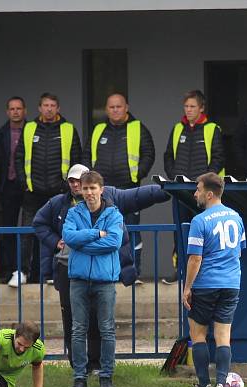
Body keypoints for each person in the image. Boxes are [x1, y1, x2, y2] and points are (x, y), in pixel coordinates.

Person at [33, 164, 168, 373]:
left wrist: (169, 190)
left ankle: (98, 366)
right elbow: (42, 224)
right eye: (72, 181)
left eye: (84, 182)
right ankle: (78, 369)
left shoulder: (112, 200)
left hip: (101, 271)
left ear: (97, 186)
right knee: (73, 323)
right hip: (69, 270)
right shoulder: (60, 205)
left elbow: (138, 198)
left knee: (100, 323)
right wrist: (59, 241)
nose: (78, 185)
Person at [183, 173, 246, 387]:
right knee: (223, 335)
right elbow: (239, 250)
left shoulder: (199, 221)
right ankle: (222, 383)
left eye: (198, 189)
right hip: (231, 284)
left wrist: (187, 287)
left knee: (198, 334)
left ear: (209, 194)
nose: (195, 193)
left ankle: (204, 386)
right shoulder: (236, 217)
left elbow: (195, 258)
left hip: (206, 284)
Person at [62, 171, 123, 387]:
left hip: (105, 281)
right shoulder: (73, 213)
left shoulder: (114, 214)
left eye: (92, 188)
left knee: (107, 329)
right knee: (78, 329)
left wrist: (82, 242)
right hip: (78, 280)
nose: (88, 193)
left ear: (101, 189)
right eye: (85, 189)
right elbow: (69, 238)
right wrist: (97, 233)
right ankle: (80, 377)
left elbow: (114, 242)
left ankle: (106, 376)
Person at [83, 93, 155, 280]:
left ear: (126, 108)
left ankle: (133, 274)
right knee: (103, 233)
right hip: (102, 192)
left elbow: (149, 153)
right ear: (107, 110)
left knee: (131, 232)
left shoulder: (138, 128)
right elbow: (86, 155)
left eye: (119, 106)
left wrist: (137, 174)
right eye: (111, 107)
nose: (115, 110)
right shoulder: (98, 130)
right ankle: (107, 273)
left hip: (128, 190)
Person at [15, 92, 82, 283]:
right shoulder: (29, 128)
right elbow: (19, 157)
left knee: (59, 233)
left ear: (58, 108)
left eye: (53, 105)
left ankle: (55, 273)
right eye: (46, 105)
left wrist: (66, 186)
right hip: (32, 192)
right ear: (39, 108)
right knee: (28, 232)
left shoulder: (68, 129)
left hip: (59, 192)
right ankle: (23, 272)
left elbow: (76, 160)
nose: (49, 108)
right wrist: (24, 183)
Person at [162, 90, 225, 285]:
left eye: (192, 107)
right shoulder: (177, 129)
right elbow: (168, 156)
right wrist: (174, 177)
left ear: (201, 108)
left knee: (205, 231)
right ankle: (180, 269)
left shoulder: (212, 128)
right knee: (180, 231)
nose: (188, 110)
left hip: (204, 193)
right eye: (186, 107)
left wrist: (205, 183)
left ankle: (204, 270)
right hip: (181, 189)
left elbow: (218, 157)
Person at [0, 96, 27, 287]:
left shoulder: (32, 130)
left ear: (25, 111)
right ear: (7, 112)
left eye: (19, 108)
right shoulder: (0, 134)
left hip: (28, 185)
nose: (15, 112)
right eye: (12, 109)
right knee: (7, 228)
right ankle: (9, 269)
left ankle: (29, 270)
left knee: (30, 228)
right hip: (7, 185)